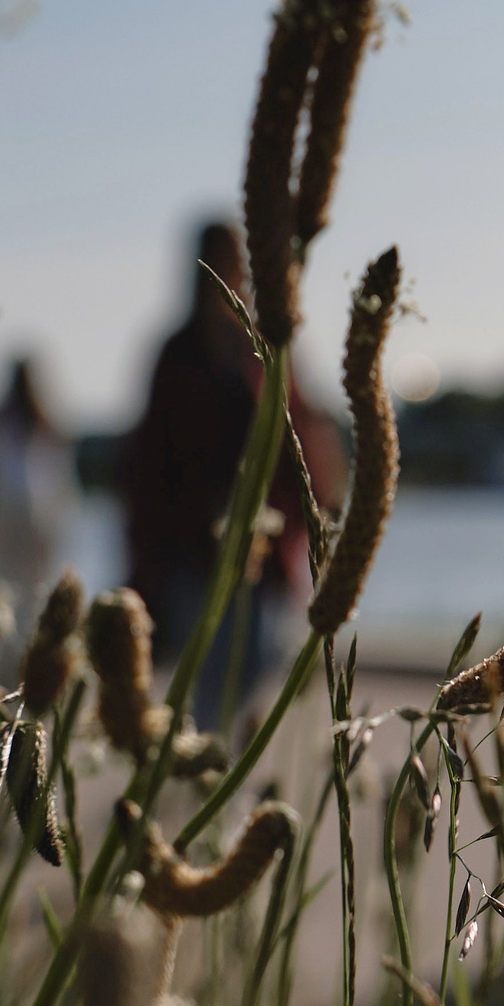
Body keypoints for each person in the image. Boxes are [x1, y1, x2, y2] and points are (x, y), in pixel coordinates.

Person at [120, 220, 344, 733]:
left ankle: (214, 763)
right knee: (212, 668)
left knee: (262, 657)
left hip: (263, 551)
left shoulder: (261, 345)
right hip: (194, 550)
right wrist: (149, 548)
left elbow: (298, 427)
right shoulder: (176, 353)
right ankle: (203, 771)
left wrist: (319, 506)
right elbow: (148, 458)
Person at [0, 355, 81, 619]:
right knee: (20, 591)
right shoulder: (42, 431)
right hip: (18, 521)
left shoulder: (5, 429)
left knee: (6, 588)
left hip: (8, 521)